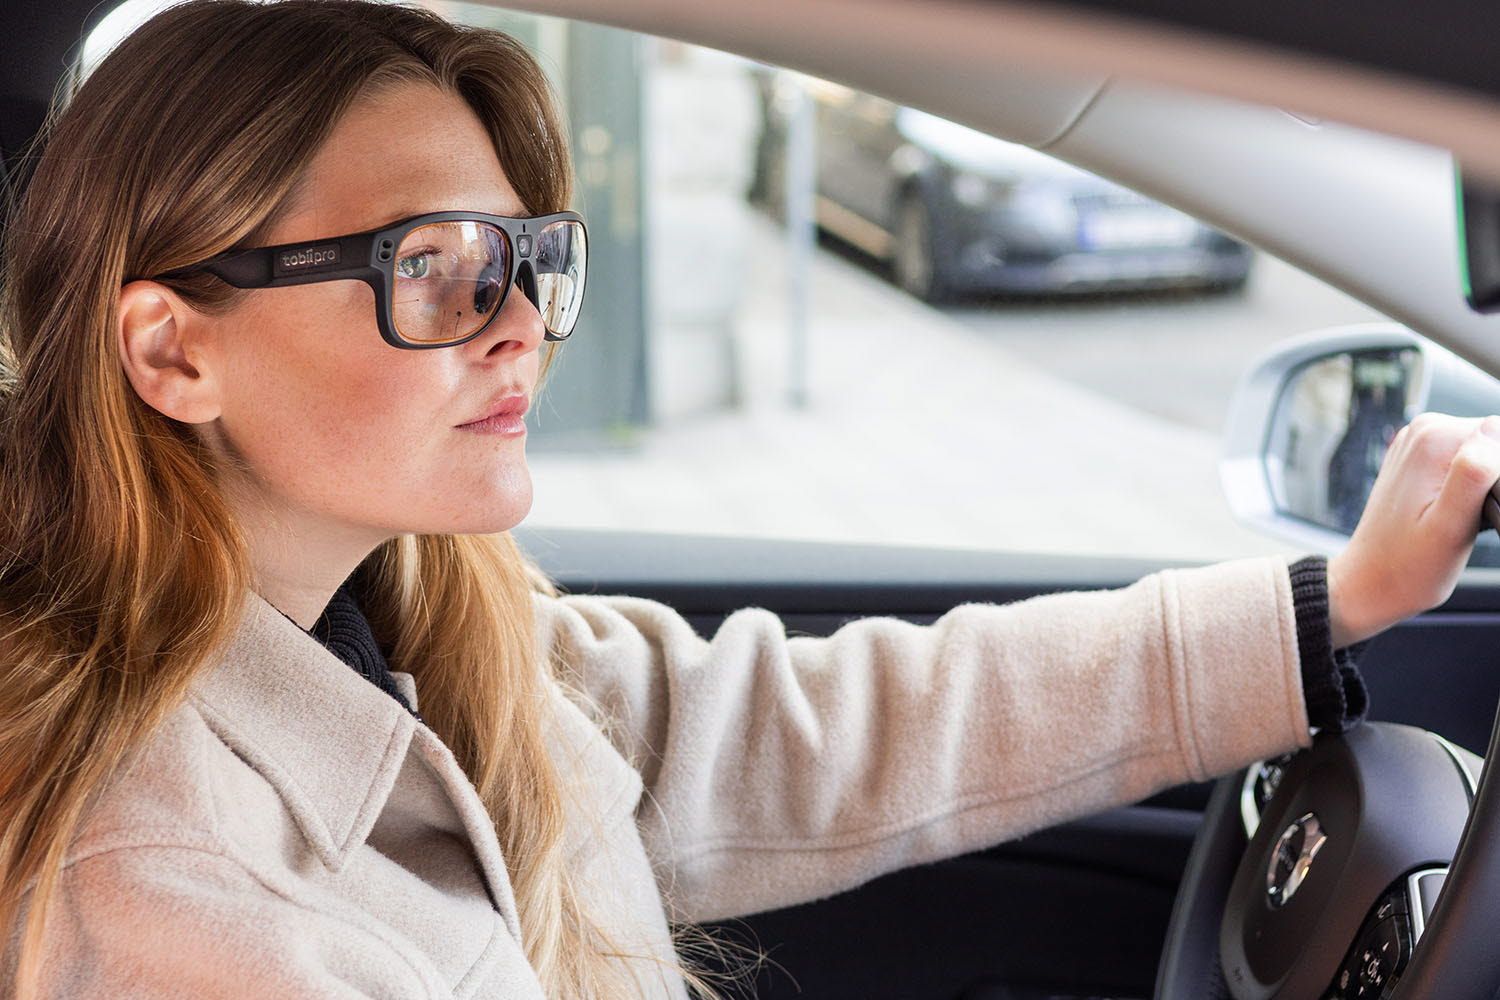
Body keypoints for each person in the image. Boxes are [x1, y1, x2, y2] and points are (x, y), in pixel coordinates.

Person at [1, 1, 1497, 997]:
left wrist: (1330, 608)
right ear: (172, 349)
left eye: (528, 260)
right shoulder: (163, 908)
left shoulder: (416, 627)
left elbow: (833, 727)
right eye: (438, 269)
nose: (521, 324)